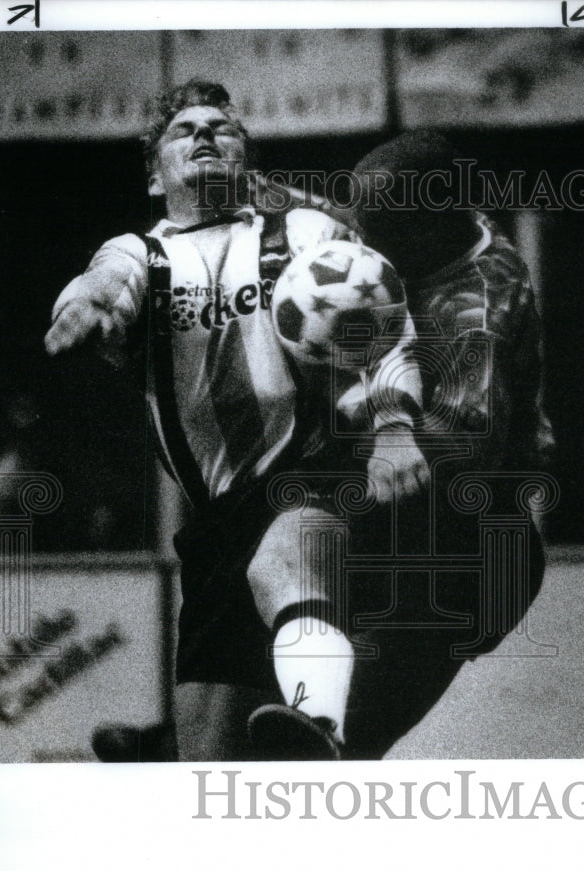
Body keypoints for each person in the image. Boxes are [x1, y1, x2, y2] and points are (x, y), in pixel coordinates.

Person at [44, 79, 428, 761]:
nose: (204, 135)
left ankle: (322, 723)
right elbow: (107, 278)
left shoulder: (304, 233)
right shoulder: (143, 253)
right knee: (206, 759)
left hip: (313, 471)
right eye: (182, 129)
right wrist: (82, 303)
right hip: (215, 517)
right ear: (154, 174)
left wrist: (395, 428)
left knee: (281, 563)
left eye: (222, 127)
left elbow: (379, 322)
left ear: (244, 158)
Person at [335, 128, 556, 759]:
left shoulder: (473, 308)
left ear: (430, 226)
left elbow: (458, 449)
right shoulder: (436, 222)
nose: (363, 244)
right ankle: (178, 745)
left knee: (336, 747)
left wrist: (354, 405)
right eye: (360, 224)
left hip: (475, 556)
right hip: (402, 538)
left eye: (378, 231)